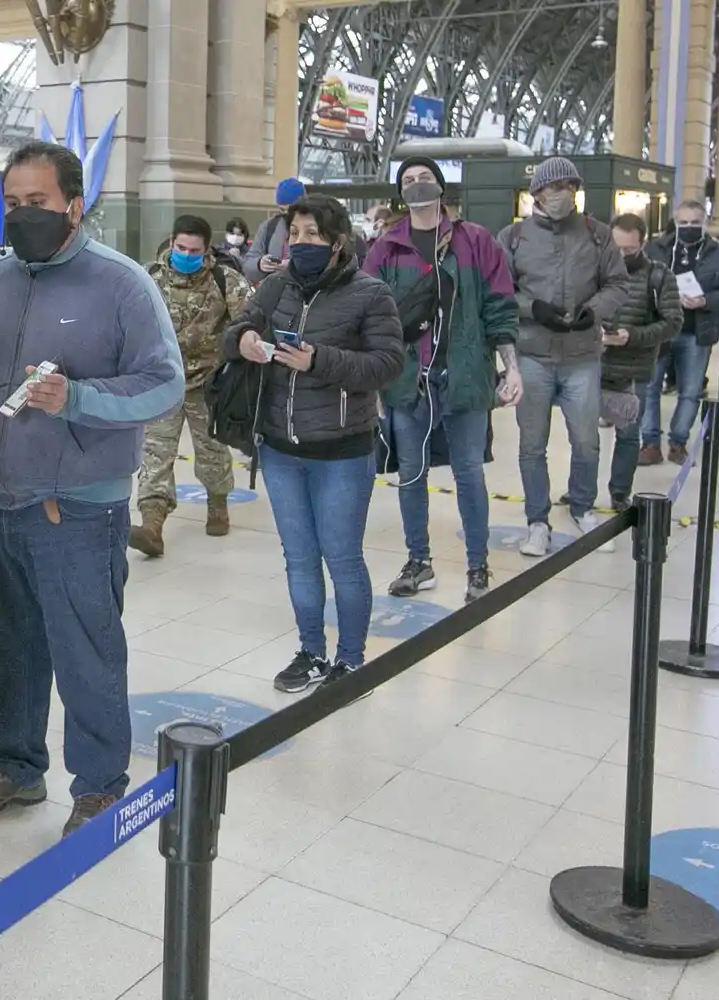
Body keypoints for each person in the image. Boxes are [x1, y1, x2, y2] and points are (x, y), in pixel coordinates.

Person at [0, 140, 184, 836]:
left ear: (75, 204)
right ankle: (15, 765)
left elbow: (164, 384)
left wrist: (78, 397)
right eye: (11, 204)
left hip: (76, 509)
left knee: (86, 653)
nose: (22, 216)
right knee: (5, 647)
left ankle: (101, 785)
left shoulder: (122, 284)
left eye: (36, 203)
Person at [221, 194, 402, 694]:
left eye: (312, 235)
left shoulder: (370, 294)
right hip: (281, 448)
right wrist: (244, 342)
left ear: (338, 243)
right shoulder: (276, 286)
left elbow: (388, 364)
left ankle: (351, 660)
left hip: (342, 450)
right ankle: (311, 651)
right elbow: (234, 328)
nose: (300, 242)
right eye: (294, 232)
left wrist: (319, 360)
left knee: (341, 557)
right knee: (299, 558)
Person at [364, 157, 521, 603]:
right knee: (411, 474)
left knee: (469, 473)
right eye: (408, 181)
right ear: (400, 193)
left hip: (465, 376)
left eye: (425, 178)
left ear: (440, 186)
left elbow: (500, 307)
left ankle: (478, 565)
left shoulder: (475, 242)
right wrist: (373, 385)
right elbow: (371, 319)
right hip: (406, 381)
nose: (417, 186)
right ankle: (419, 561)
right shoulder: (387, 248)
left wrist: (512, 366)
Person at [498, 156, 628, 556]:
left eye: (570, 187)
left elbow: (619, 283)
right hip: (532, 355)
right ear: (537, 192)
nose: (563, 194)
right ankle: (538, 521)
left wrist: (596, 311)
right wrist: (531, 308)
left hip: (582, 355)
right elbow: (500, 288)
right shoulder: (513, 236)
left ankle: (583, 506)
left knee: (586, 440)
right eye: (556, 188)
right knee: (531, 444)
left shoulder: (597, 234)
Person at [130, 214, 250, 555]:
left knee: (212, 448)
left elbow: (249, 321)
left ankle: (217, 501)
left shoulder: (224, 281)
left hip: (208, 383)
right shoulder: (148, 278)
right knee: (156, 451)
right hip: (162, 380)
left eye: (193, 250)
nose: (186, 254)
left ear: (206, 249)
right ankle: (152, 523)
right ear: (171, 243)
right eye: (180, 247)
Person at [639, 199, 719, 464]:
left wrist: (705, 300)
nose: (688, 227)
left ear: (705, 222)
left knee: (691, 391)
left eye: (695, 223)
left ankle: (678, 442)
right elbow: (637, 283)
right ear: (675, 221)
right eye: (683, 222)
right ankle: (650, 444)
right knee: (649, 388)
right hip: (659, 329)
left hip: (696, 333)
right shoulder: (656, 249)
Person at [591, 214, 683, 507]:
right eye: (614, 248)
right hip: (591, 364)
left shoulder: (659, 276)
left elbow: (672, 323)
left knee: (628, 435)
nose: (620, 256)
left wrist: (631, 335)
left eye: (628, 251)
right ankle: (581, 491)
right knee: (582, 436)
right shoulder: (595, 270)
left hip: (634, 371)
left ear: (642, 244)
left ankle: (619, 492)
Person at [241, 177, 306, 284]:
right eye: (282, 209)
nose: (286, 214)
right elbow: (248, 264)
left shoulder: (316, 228)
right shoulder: (269, 227)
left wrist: (292, 266)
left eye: (290, 210)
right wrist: (259, 264)